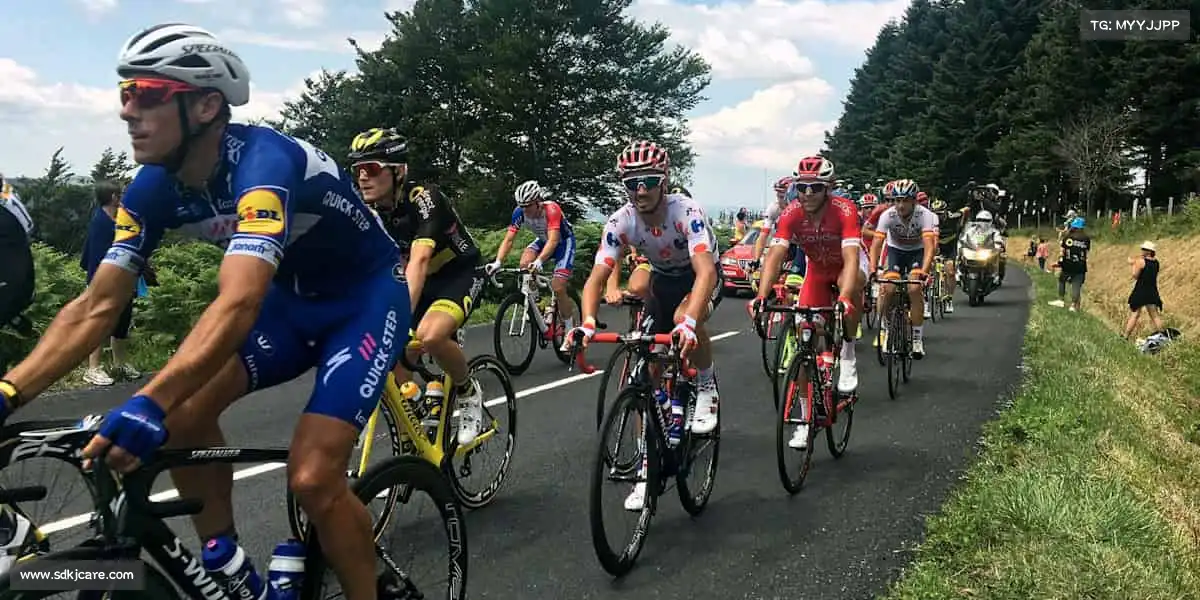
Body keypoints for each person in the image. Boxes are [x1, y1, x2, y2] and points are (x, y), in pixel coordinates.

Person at [0, 24, 408, 600]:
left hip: (363, 300)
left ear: (207, 104)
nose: (127, 111)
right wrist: (10, 392)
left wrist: (147, 400)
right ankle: (229, 567)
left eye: (146, 92)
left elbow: (238, 299)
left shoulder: (265, 164)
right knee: (185, 414)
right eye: (124, 93)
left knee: (314, 478)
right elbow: (97, 304)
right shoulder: (149, 190)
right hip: (288, 303)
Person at [567, 139, 722, 511]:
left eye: (649, 180)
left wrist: (687, 322)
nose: (641, 190)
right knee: (646, 372)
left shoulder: (686, 211)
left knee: (686, 317)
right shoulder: (622, 220)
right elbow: (595, 278)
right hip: (663, 280)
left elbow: (705, 272)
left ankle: (705, 381)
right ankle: (645, 468)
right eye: (631, 183)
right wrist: (587, 322)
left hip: (700, 278)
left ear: (664, 180)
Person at [347, 127, 486, 447]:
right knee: (386, 356)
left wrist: (395, 319)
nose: (362, 178)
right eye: (357, 170)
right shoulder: (370, 211)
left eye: (371, 168)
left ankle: (467, 391)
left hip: (459, 274)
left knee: (431, 335)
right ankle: (414, 419)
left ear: (398, 171)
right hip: (416, 280)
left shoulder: (425, 199)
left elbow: (420, 260)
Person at [750, 155, 865, 449]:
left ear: (829, 188)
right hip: (816, 269)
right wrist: (762, 296)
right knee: (804, 336)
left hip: (845, 268)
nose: (808, 194)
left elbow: (852, 258)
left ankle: (848, 353)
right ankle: (803, 419)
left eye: (815, 187)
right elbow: (775, 256)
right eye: (802, 188)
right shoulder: (791, 213)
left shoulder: (845, 210)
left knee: (849, 292)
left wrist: (843, 300)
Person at [487, 180, 576, 332]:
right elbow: (509, 239)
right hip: (543, 240)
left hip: (562, 242)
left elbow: (554, 240)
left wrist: (540, 261)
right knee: (524, 265)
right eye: (522, 206)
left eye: (528, 206)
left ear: (538, 202)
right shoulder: (519, 212)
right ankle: (538, 306)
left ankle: (570, 329)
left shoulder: (551, 210)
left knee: (558, 286)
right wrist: (498, 262)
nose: (525, 210)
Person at [79, 180, 144, 386]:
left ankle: (119, 364)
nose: (123, 197)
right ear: (114, 197)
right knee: (100, 324)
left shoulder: (116, 220)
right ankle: (93, 368)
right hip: (105, 282)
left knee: (122, 323)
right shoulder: (101, 223)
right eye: (120, 194)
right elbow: (97, 256)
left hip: (123, 280)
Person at [869, 179, 937, 358]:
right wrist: (873, 269)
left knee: (914, 288)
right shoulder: (887, 215)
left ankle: (916, 339)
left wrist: (925, 270)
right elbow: (876, 243)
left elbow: (930, 246)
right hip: (895, 252)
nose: (900, 205)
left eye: (905, 200)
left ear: (914, 201)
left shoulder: (925, 215)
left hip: (917, 252)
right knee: (887, 288)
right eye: (897, 200)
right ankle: (887, 327)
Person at [750, 175, 805, 292]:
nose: (780, 200)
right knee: (770, 264)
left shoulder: (804, 208)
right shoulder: (774, 208)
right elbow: (763, 236)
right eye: (778, 196)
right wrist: (756, 260)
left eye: (783, 196)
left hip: (804, 244)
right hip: (787, 243)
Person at [0, 174, 34, 335]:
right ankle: (11, 316)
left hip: (11, 285)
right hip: (24, 278)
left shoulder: (4, 218)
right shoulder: (7, 194)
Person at [930, 198, 968, 313]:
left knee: (950, 271)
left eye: (940, 214)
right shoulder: (929, 221)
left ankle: (949, 298)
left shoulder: (954, 217)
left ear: (946, 212)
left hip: (950, 247)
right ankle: (929, 296)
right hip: (936, 247)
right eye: (934, 215)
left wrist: (962, 224)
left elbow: (966, 210)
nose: (937, 218)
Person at [1123, 241, 1165, 341]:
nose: (1142, 251)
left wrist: (1133, 264)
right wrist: (1135, 262)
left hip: (1141, 290)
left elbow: (1135, 275)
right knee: (1155, 316)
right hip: (1152, 290)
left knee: (1135, 314)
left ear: (1148, 251)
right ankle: (1163, 337)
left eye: (1144, 249)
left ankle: (1125, 336)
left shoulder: (1141, 262)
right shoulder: (1156, 262)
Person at [1051, 217, 1090, 312]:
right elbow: (1087, 252)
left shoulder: (1068, 237)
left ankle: (1061, 300)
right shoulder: (1086, 239)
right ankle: (1073, 305)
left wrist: (1059, 261)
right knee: (1076, 285)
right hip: (1080, 265)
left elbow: (1063, 251)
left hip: (1067, 264)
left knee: (1061, 280)